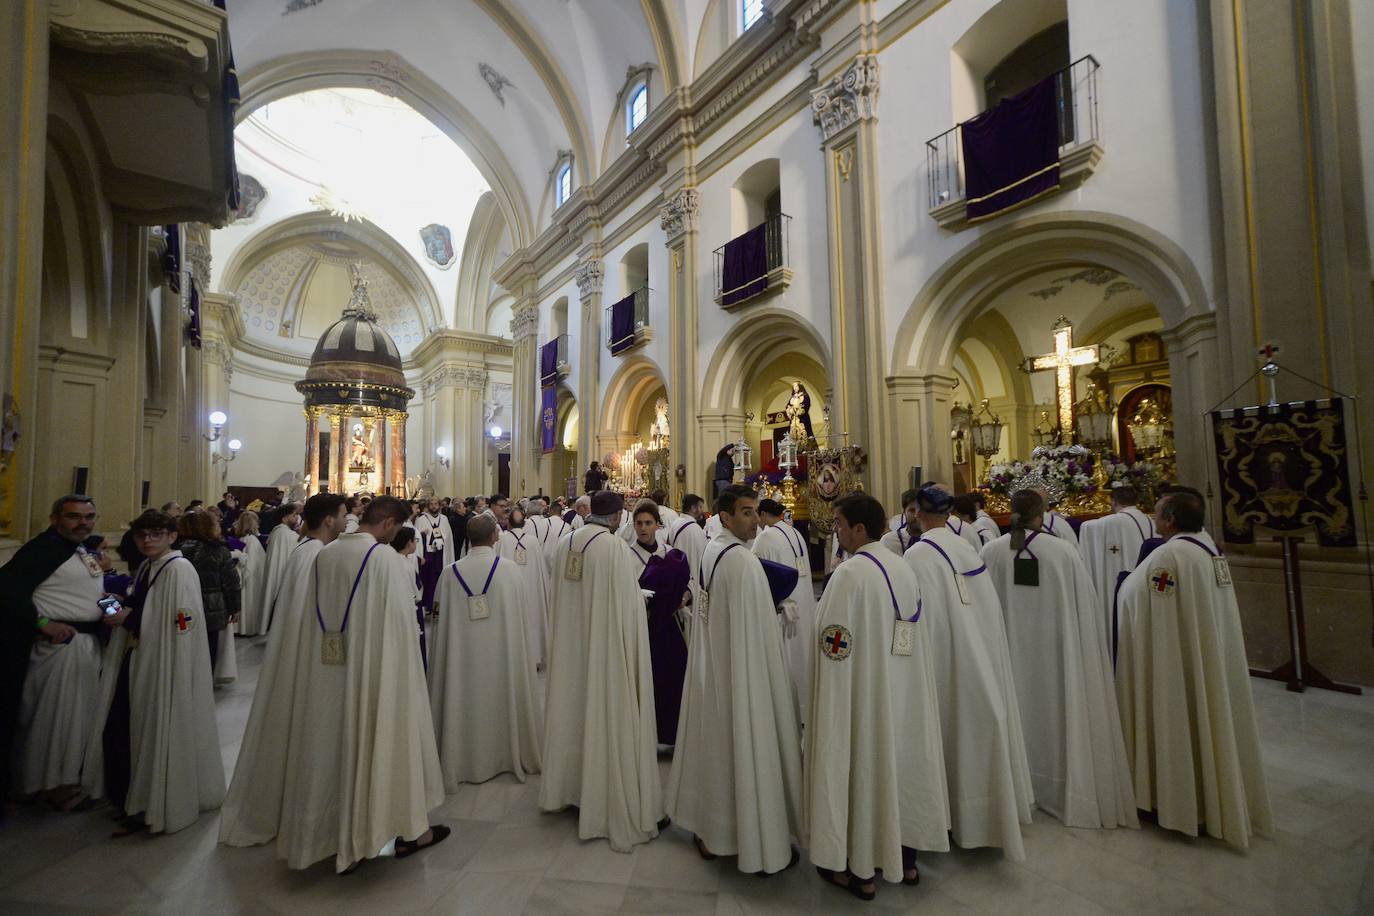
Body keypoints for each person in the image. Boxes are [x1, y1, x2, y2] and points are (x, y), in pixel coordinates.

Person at [275, 496, 448, 872]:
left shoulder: (325, 553)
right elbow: (400, 626)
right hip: (377, 671)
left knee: (331, 745)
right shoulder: (383, 559)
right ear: (388, 524)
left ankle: (331, 836)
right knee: (380, 743)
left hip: (329, 667)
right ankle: (397, 832)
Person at [807, 494, 949, 902]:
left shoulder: (850, 575)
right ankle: (905, 860)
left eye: (838, 522)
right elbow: (905, 635)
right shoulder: (902, 569)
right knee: (901, 769)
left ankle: (860, 870)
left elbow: (833, 645)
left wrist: (830, 702)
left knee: (863, 770)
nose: (834, 530)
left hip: (862, 699)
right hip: (902, 691)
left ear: (859, 529)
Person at [1115, 489, 1272, 849]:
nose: (1154, 519)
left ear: (1169, 519)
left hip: (1175, 659)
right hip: (1204, 651)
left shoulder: (1169, 556)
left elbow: (1139, 600)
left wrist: (1121, 588)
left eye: (1157, 513)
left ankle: (1178, 802)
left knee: (1181, 716)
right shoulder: (1206, 547)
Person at [981, 490, 1138, 829]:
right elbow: (1086, 609)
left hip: (1007, 656)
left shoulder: (991, 552)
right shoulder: (1064, 552)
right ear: (1042, 514)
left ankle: (1018, 788)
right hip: (1058, 658)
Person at [667, 485, 802, 874]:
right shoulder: (741, 561)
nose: (755, 519)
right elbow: (757, 631)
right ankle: (751, 839)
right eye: (746, 512)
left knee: (717, 748)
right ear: (725, 517)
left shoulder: (713, 549)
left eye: (756, 511)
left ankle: (713, 829)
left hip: (716, 663)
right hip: (743, 668)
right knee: (743, 746)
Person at [903, 484, 1032, 860]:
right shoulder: (965, 546)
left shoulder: (919, 556)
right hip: (982, 654)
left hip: (942, 661)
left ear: (918, 513)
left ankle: (952, 815)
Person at [219, 493, 347, 849]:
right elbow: (316, 614)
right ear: (328, 520)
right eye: (342, 515)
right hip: (308, 658)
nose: (346, 521)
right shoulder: (317, 555)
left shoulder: (306, 550)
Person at [539, 490, 663, 852]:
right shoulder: (613, 549)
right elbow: (628, 608)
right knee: (604, 716)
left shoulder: (566, 544)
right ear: (617, 518)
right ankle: (600, 792)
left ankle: (570, 788)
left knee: (571, 711)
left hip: (570, 649)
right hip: (605, 650)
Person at [97, 509, 224, 837]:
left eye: (156, 534)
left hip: (164, 660)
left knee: (149, 726)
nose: (148, 540)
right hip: (143, 655)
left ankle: (149, 802)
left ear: (172, 536)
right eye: (142, 535)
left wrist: (131, 618)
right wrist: (124, 605)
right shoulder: (149, 567)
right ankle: (130, 796)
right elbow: (150, 606)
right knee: (124, 727)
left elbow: (183, 620)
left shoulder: (178, 569)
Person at [1, 495, 106, 810]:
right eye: (74, 517)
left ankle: (63, 781)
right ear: (54, 518)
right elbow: (6, 591)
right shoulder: (42, 550)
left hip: (85, 646)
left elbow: (94, 595)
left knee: (75, 720)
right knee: (52, 721)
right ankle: (47, 786)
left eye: (89, 516)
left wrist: (115, 610)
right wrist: (42, 622)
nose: (82, 523)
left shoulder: (81, 550)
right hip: (59, 650)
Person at [430, 514, 542, 789]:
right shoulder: (509, 570)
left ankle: (461, 756)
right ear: (495, 537)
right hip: (502, 658)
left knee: (463, 698)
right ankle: (505, 752)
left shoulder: (449, 573)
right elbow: (521, 619)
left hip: (462, 661)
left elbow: (439, 621)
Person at [627, 501, 691, 749]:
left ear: (657, 525)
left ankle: (676, 735)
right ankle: (648, 737)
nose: (643, 529)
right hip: (645, 629)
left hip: (671, 628)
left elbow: (689, 583)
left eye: (648, 523)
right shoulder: (628, 556)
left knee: (675, 678)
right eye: (639, 524)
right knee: (648, 680)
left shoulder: (671, 553)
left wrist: (685, 595)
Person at [752, 498, 817, 725]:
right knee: (802, 653)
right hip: (804, 604)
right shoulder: (795, 533)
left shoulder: (766, 536)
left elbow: (756, 574)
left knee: (787, 656)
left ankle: (787, 709)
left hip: (783, 608)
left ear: (762, 514)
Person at [1078, 484, 1158, 649]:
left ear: (1113, 502)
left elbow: (1087, 527)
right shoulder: (1151, 520)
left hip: (1121, 582)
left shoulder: (1112, 522)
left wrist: (1065, 520)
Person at [176, 510, 241, 671]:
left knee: (180, 649)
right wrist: (234, 608)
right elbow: (231, 582)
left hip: (180, 608)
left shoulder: (174, 549)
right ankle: (204, 688)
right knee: (207, 652)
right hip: (211, 608)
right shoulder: (217, 549)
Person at [497, 505, 551, 674]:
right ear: (524, 523)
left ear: (508, 523)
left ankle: (512, 658)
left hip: (509, 590)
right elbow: (541, 570)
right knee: (532, 619)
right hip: (532, 591)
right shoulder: (532, 541)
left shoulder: (502, 540)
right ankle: (532, 658)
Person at [258, 502, 301, 632]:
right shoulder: (288, 535)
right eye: (294, 515)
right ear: (284, 518)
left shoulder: (277, 533)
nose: (297, 518)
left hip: (276, 576)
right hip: (283, 577)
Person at [414, 498, 455, 614]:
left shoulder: (444, 519)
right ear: (428, 506)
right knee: (429, 580)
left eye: (435, 504)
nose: (433, 506)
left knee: (440, 579)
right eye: (431, 504)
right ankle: (428, 604)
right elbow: (417, 539)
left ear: (439, 505)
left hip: (441, 555)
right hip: (428, 556)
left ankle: (440, 603)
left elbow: (448, 537)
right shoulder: (421, 520)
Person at [230, 511, 268, 635]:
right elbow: (254, 562)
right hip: (251, 577)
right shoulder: (252, 540)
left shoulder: (241, 539)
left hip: (243, 575)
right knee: (249, 601)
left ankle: (242, 628)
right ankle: (248, 628)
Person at [879, 489, 921, 556]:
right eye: (912, 510)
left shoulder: (934, 540)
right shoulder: (888, 541)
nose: (916, 515)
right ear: (904, 512)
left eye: (920, 510)